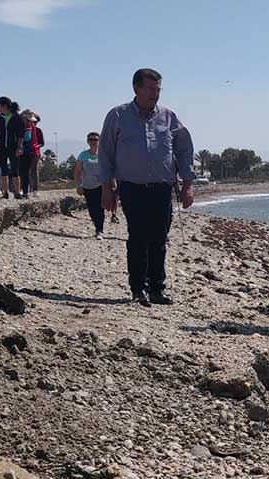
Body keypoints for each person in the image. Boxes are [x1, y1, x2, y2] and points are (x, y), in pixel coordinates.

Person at [98, 68, 195, 307]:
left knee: (159, 238)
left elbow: (184, 151)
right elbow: (106, 152)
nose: (155, 94)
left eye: (158, 89)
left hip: (162, 188)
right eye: (151, 89)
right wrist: (106, 188)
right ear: (136, 88)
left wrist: (188, 184)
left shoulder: (169, 117)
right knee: (139, 236)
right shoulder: (118, 116)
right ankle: (138, 288)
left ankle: (156, 289)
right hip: (132, 187)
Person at [74, 132, 105, 238]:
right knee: (92, 208)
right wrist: (78, 185)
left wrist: (112, 183)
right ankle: (96, 225)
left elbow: (109, 169)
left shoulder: (103, 154)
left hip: (101, 185)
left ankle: (99, 229)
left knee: (100, 207)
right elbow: (77, 171)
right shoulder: (83, 155)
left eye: (95, 139)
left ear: (99, 141)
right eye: (91, 140)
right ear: (88, 141)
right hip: (87, 186)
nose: (93, 142)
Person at [0, 97, 23, 199]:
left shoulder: (17, 118)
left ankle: (17, 192)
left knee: (15, 170)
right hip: (1, 147)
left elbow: (20, 135)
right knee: (3, 169)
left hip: (13, 147)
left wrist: (19, 147)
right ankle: (5, 192)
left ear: (4, 106)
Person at [19, 110, 43, 198]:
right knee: (23, 171)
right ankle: (23, 189)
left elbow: (38, 141)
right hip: (23, 151)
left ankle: (35, 189)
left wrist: (35, 148)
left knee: (33, 171)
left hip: (33, 152)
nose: (33, 122)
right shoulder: (20, 126)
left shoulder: (36, 129)